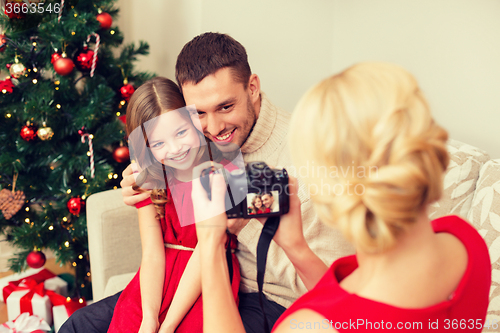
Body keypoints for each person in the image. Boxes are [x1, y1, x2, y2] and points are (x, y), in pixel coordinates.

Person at [60, 32, 352, 333]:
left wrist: (235, 220)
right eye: (199, 113)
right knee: (78, 326)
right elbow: (159, 146)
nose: (214, 128)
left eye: (226, 107)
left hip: (268, 298)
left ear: (252, 88)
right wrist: (136, 178)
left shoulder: (310, 158)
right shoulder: (194, 141)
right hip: (190, 278)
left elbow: (337, 289)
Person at [191, 62, 491, 332]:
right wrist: (296, 247)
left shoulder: (308, 326)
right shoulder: (464, 242)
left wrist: (210, 241)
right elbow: (348, 304)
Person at [105, 77, 240, 333]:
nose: (175, 149)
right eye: (158, 143)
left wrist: (167, 326)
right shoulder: (150, 178)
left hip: (205, 272)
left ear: (195, 123)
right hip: (157, 280)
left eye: (181, 132)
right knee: (130, 323)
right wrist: (149, 317)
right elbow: (152, 253)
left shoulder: (215, 172)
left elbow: (206, 251)